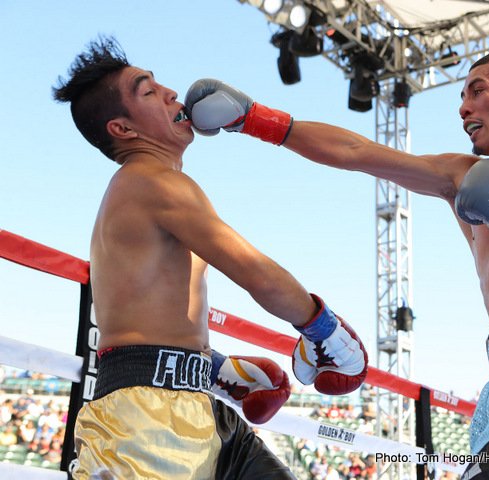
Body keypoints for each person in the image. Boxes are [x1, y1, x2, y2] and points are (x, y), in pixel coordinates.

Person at [185, 49, 489, 479]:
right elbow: (359, 153)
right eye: (461, 95)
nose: (463, 107)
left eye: (478, 90)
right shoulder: (462, 175)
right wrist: (255, 119)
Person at [52, 36, 368, 480]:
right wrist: (324, 330)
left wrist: (214, 366)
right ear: (123, 130)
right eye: (148, 91)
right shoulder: (150, 181)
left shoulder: (145, 190)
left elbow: (142, 311)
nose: (171, 93)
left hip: (194, 408)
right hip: (142, 421)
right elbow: (256, 273)